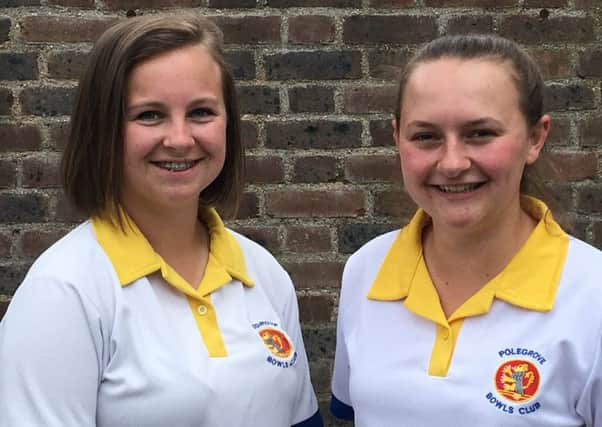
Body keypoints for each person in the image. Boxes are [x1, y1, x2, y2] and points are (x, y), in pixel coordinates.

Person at [0, 15, 322, 427]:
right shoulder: (63, 293)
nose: (180, 139)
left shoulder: (263, 273)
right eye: (150, 115)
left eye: (202, 112)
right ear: (103, 130)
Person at [330, 34, 602, 426]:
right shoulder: (366, 270)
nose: (453, 162)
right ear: (396, 139)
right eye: (426, 136)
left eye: (481, 133)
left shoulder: (591, 294)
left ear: (535, 138)